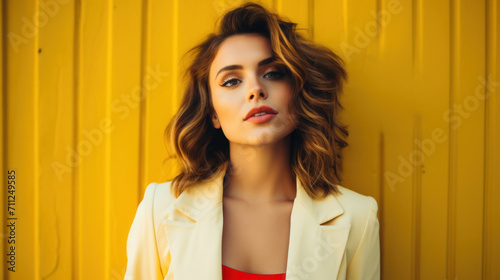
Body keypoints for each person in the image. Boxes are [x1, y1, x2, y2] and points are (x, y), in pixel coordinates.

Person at [124, 2, 380, 280]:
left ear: (298, 91)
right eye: (232, 81)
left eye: (272, 74)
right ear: (212, 112)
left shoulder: (357, 218)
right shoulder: (159, 209)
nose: (256, 89)